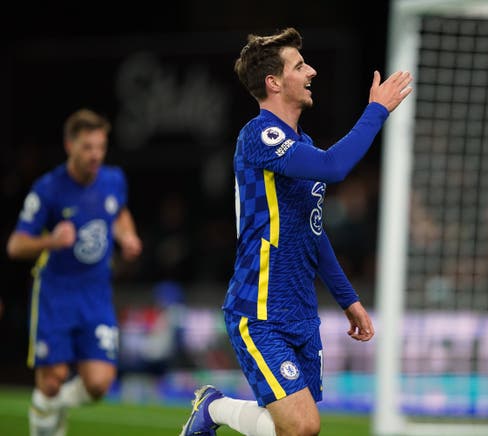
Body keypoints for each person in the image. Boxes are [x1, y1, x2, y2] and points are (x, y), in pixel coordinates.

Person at [179, 27, 412, 436]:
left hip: (300, 312)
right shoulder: (260, 135)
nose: (312, 72)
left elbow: (314, 234)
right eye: (300, 66)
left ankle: (215, 407)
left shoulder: (300, 146)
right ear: (273, 82)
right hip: (259, 308)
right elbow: (335, 168)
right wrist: (376, 110)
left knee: (298, 430)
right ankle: (214, 408)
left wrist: (348, 300)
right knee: (302, 426)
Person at [6, 108, 143, 436]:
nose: (95, 154)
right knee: (51, 381)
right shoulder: (48, 188)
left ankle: (53, 408)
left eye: (101, 146)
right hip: (56, 292)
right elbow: (15, 245)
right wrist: (51, 240)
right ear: (70, 145)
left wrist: (128, 235)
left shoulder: (113, 179)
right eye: (87, 147)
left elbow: (120, 213)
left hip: (96, 293)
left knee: (99, 383)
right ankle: (46, 423)